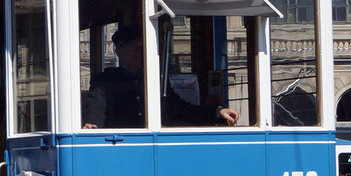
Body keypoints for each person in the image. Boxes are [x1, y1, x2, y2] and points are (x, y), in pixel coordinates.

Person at [82, 25, 238, 129]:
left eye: (142, 48)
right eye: (132, 47)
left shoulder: (155, 80)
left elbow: (181, 109)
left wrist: (217, 113)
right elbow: (96, 108)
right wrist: (92, 125)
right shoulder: (105, 81)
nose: (139, 52)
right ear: (119, 52)